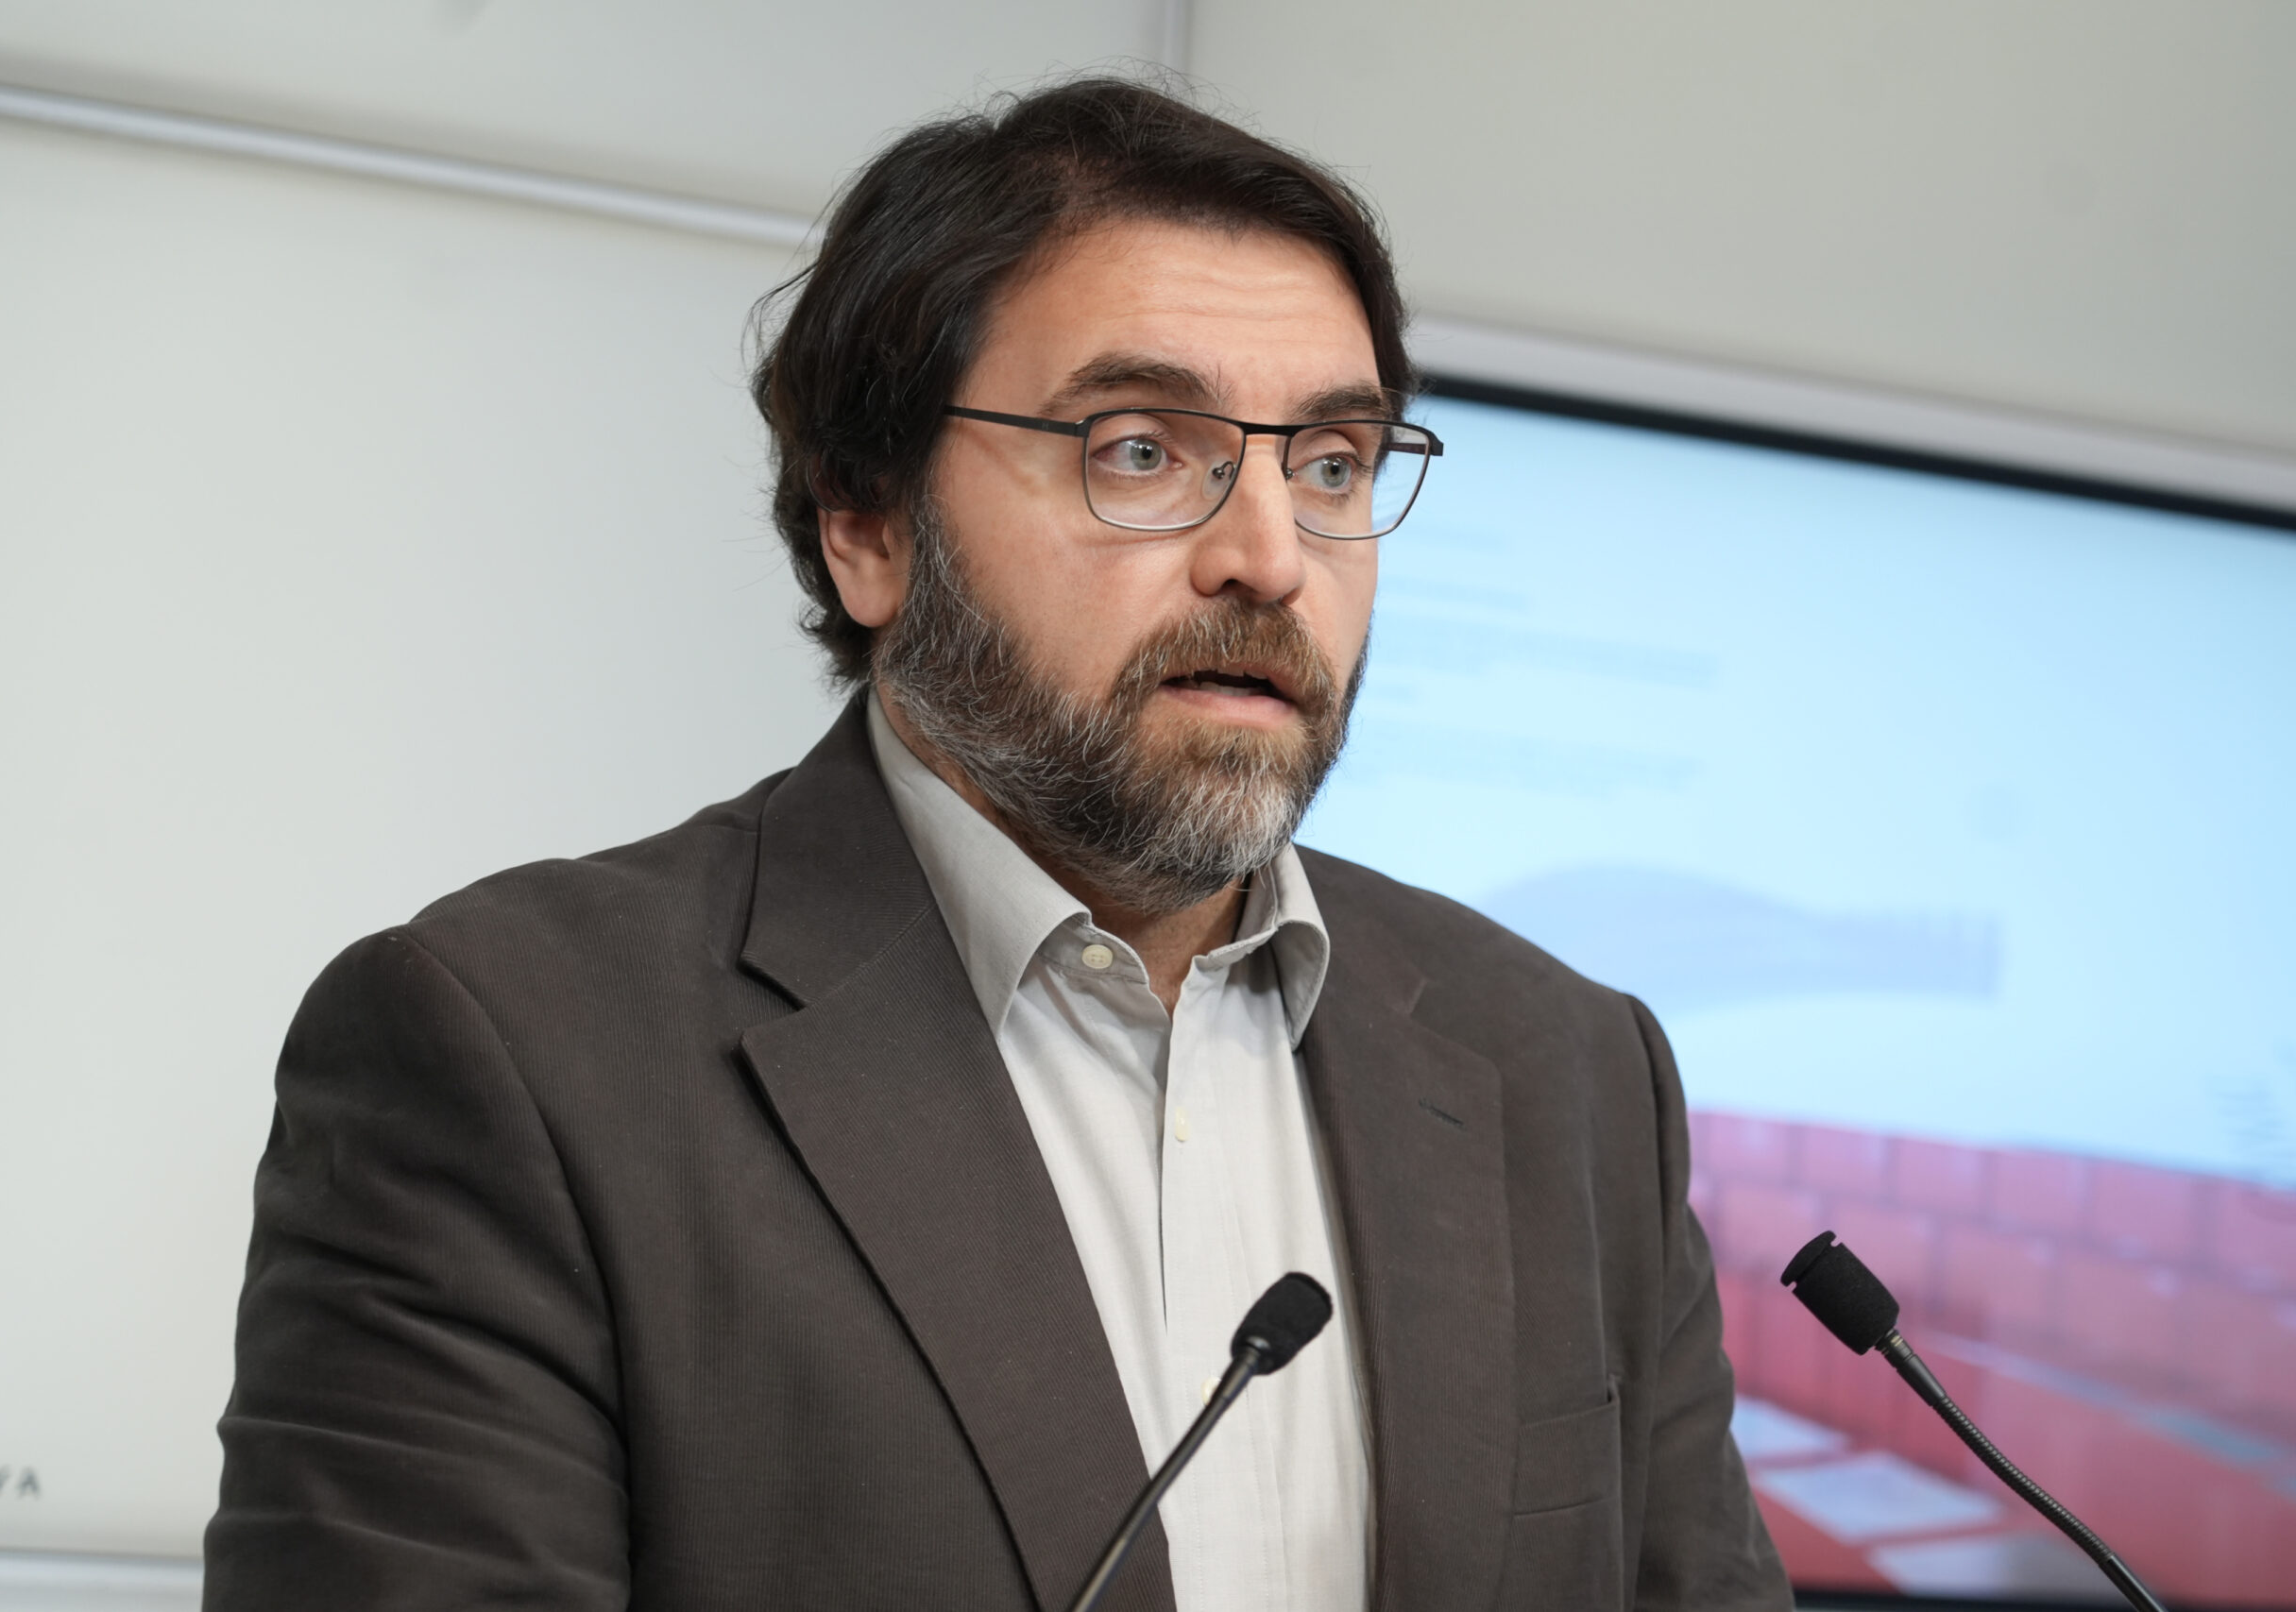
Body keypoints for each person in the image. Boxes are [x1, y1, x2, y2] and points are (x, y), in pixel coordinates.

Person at [204, 76, 1789, 1612]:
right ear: (868, 521)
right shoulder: (519, 1054)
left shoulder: (1569, 1073)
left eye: (1330, 466)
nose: (1268, 557)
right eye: (1141, 450)